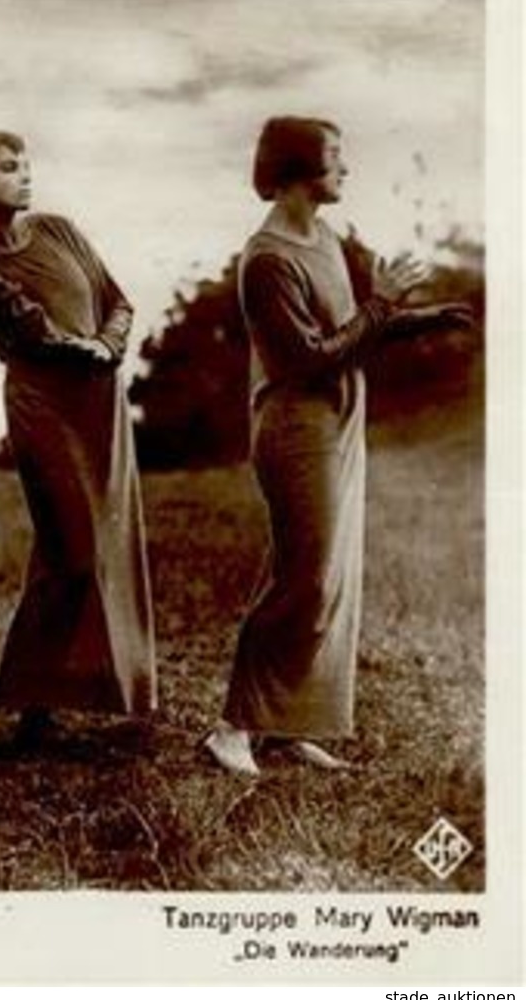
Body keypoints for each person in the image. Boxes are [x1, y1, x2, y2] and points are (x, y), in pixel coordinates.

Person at [203, 117, 473, 776]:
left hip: (336, 419)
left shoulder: (319, 236)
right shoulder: (266, 259)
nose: (347, 169)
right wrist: (382, 305)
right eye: (335, 158)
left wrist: (416, 317)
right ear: (298, 169)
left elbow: (346, 329)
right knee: (306, 575)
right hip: (297, 424)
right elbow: (306, 359)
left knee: (330, 578)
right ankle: (230, 727)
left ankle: (284, 723)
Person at [0, 131, 157, 752]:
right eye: (8, 168)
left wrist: (108, 347)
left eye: (25, 164)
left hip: (99, 401)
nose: (25, 176)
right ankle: (0, 697)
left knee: (80, 554)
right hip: (43, 405)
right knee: (75, 552)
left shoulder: (59, 230)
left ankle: (41, 703)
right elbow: (28, 331)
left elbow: (119, 302)